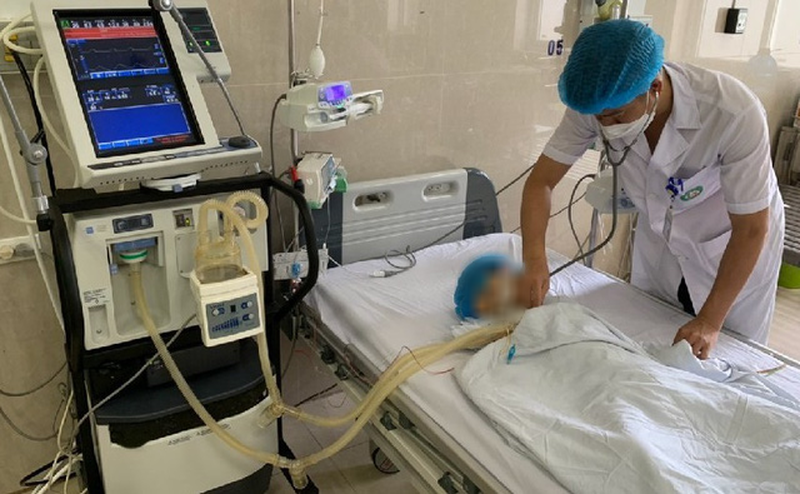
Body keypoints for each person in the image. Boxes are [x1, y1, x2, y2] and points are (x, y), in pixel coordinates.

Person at [519, 20, 785, 359]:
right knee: (648, 337)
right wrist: (534, 259)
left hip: (730, 245)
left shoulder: (732, 112)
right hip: (660, 242)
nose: (605, 126)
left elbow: (751, 229)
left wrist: (709, 321)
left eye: (616, 117)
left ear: (655, 88)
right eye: (599, 119)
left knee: (725, 355)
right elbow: (541, 182)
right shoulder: (598, 102)